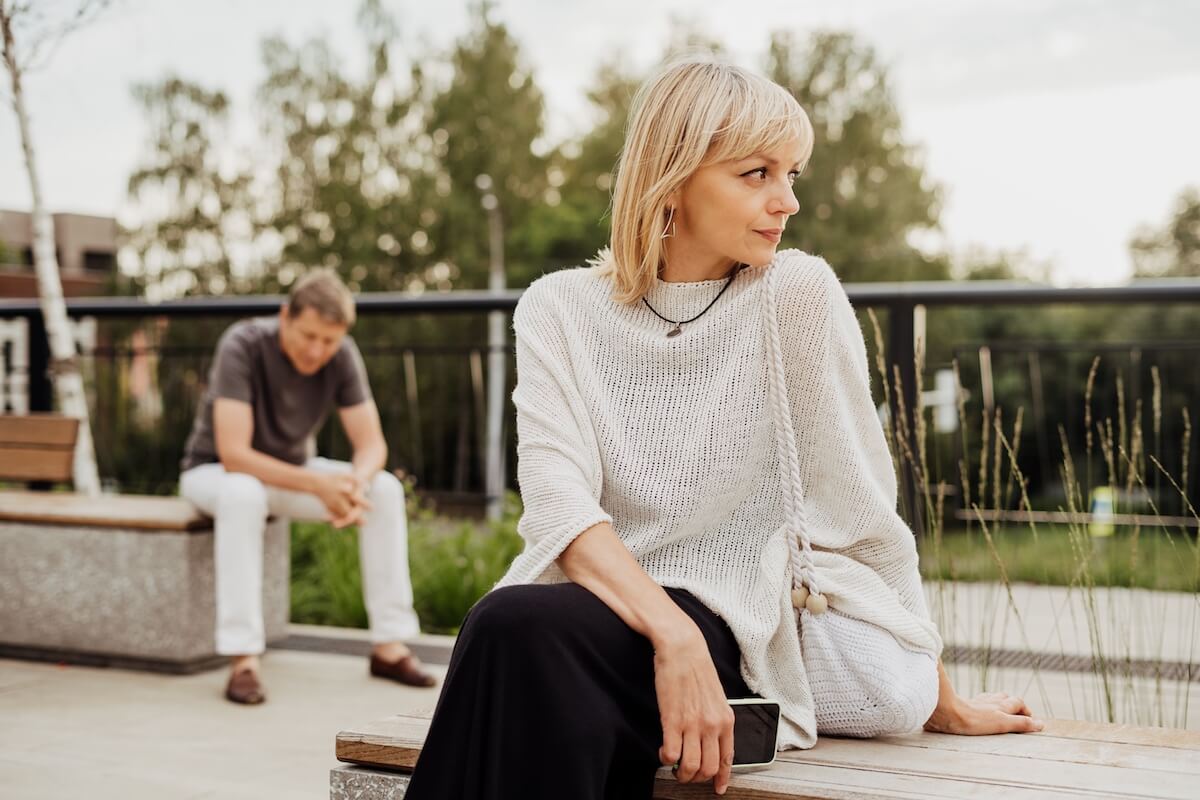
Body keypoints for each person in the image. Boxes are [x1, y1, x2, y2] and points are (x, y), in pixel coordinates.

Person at [405, 57, 1040, 800]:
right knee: (510, 631)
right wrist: (670, 635)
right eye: (756, 173)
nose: (787, 201)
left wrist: (941, 697)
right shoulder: (558, 308)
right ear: (672, 178)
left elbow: (866, 520)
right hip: (615, 617)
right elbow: (558, 509)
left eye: (792, 174)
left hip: (740, 630)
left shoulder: (795, 295)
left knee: (514, 638)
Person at [179, 269, 436, 704]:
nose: (318, 351)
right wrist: (319, 485)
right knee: (244, 494)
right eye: (309, 336)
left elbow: (371, 445)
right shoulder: (242, 344)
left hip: (290, 472)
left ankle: (390, 647)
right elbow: (234, 454)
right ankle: (243, 659)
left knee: (384, 490)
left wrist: (353, 484)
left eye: (329, 341)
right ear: (285, 316)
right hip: (214, 472)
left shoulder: (342, 354)